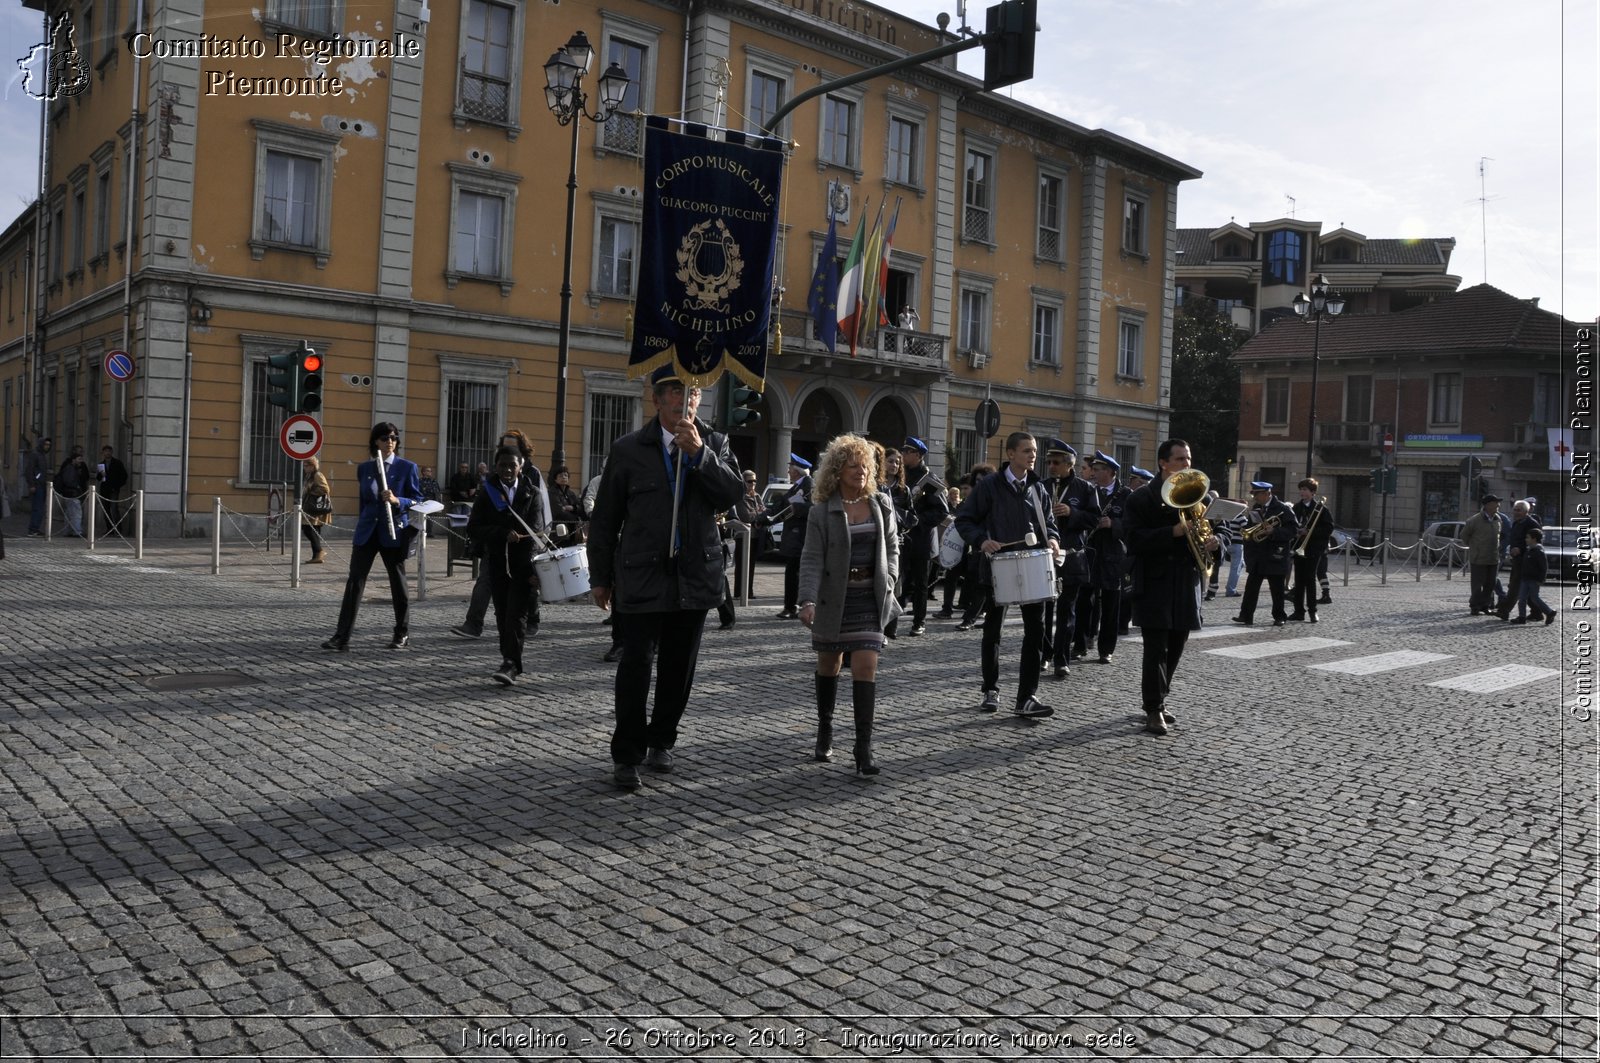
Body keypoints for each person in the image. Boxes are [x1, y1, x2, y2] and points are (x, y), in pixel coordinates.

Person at [588, 366, 743, 791]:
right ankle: (627, 754)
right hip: (641, 574)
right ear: (656, 400)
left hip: (694, 576)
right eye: (674, 392)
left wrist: (700, 456)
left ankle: (662, 740)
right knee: (636, 664)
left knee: (679, 668)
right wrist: (600, 575)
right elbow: (605, 518)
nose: (683, 401)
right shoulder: (628, 450)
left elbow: (732, 496)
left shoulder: (714, 442)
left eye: (691, 393)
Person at [798, 434, 901, 776]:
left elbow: (893, 547)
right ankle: (825, 729)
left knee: (866, 665)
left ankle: (863, 748)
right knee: (829, 665)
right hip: (833, 600)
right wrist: (807, 599)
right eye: (853, 465)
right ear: (837, 470)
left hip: (869, 600)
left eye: (866, 465)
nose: (861, 471)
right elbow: (811, 558)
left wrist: (889, 581)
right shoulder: (822, 511)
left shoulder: (881, 504)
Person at [954, 431, 1060, 718]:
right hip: (997, 566)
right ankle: (991, 689)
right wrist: (981, 540)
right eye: (1027, 450)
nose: (1033, 455)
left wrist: (1051, 538)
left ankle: (1027, 697)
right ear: (1011, 454)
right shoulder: (989, 486)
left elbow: (1049, 522)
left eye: (1035, 451)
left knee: (1036, 632)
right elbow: (964, 520)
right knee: (993, 630)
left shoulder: (1038, 488)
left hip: (1033, 566)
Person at [1124, 438, 1218, 736]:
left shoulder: (1195, 499)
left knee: (1176, 646)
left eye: (1188, 459)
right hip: (1155, 580)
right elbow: (1134, 540)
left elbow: (1208, 537)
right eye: (1180, 459)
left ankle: (1160, 700)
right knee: (1156, 649)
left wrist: (1214, 544)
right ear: (1164, 463)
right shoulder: (1141, 498)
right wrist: (1173, 531)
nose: (1186, 464)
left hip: (1185, 582)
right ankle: (1152, 708)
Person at [322, 421, 423, 651]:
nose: (390, 442)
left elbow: (418, 500)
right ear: (375, 441)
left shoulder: (407, 468)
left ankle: (401, 633)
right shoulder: (364, 469)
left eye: (394, 438)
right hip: (367, 532)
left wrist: (398, 500)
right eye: (385, 438)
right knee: (354, 583)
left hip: (393, 531)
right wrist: (361, 526)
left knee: (397, 583)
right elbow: (364, 503)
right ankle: (342, 636)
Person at [453, 430, 550, 640]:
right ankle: (473, 623)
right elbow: (477, 522)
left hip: (523, 543)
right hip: (497, 544)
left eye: (512, 447)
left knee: (526, 583)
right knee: (486, 581)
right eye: (503, 447)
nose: (507, 467)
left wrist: (532, 538)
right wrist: (499, 533)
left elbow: (538, 513)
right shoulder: (492, 481)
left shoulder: (532, 475)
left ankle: (531, 620)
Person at [467, 446, 545, 685]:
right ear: (496, 467)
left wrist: (534, 571)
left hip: (523, 565)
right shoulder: (486, 493)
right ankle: (508, 658)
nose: (508, 470)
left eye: (512, 465)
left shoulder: (533, 493)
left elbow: (537, 532)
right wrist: (501, 533)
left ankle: (511, 664)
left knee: (515, 615)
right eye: (503, 465)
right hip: (497, 562)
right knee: (502, 614)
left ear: (521, 466)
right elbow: (473, 528)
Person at [1038, 440, 1099, 679]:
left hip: (1071, 558)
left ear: (1069, 464)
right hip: (1045, 557)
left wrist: (1073, 513)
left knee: (1067, 613)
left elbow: (1093, 520)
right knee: (1043, 611)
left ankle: (1061, 659)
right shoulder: (1041, 486)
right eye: (1049, 462)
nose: (1051, 466)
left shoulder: (1085, 489)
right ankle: (1044, 654)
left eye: (1056, 462)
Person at [1075, 451, 1130, 663]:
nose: (1094, 474)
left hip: (1112, 556)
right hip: (1089, 553)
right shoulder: (1089, 491)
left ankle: (1106, 649)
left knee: (1110, 605)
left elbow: (1132, 525)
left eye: (1098, 470)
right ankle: (1080, 644)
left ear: (1110, 472)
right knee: (1083, 603)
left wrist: (1113, 524)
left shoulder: (1125, 495)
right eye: (1094, 470)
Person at [899, 437, 950, 637]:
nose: (903, 454)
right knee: (899, 579)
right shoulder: (901, 476)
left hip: (921, 539)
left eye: (907, 451)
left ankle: (919, 621)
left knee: (920, 584)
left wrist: (916, 520)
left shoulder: (929, 480)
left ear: (918, 455)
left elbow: (942, 511)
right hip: (902, 537)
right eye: (903, 450)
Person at [1232, 481, 1297, 627]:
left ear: (1267, 493)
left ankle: (1279, 616)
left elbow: (1293, 530)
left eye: (1257, 494)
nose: (1254, 497)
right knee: (1251, 588)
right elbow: (1250, 529)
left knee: (1277, 589)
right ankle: (1246, 615)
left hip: (1275, 555)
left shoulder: (1282, 509)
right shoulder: (1256, 509)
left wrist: (1274, 531)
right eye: (1253, 494)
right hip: (1258, 555)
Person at [769, 455, 813, 619]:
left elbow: (815, 507)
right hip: (794, 536)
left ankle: (792, 607)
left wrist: (798, 507)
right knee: (791, 572)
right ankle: (791, 606)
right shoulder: (796, 486)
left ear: (797, 471)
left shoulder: (809, 484)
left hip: (801, 537)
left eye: (790, 468)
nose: (788, 471)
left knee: (794, 573)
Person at [877, 444, 914, 638]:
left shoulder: (903, 490)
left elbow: (912, 516)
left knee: (896, 583)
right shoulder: (876, 486)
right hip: (879, 540)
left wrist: (900, 517)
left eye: (898, 462)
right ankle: (879, 628)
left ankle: (891, 628)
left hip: (898, 541)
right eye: (890, 461)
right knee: (881, 583)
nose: (895, 465)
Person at [1288, 478, 1333, 623]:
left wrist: (1310, 533)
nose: (1302, 492)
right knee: (1298, 581)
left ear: (1313, 492)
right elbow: (1291, 525)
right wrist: (1297, 532)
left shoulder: (1321, 509)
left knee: (1310, 579)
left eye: (1305, 490)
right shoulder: (1296, 508)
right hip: (1298, 548)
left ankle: (1313, 611)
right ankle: (1298, 611)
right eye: (1301, 489)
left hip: (1313, 549)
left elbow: (1328, 529)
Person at [1496, 499, 1541, 621]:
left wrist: (1520, 549)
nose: (1516, 512)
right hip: (1517, 560)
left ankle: (1504, 611)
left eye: (1519, 510)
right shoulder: (1516, 523)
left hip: (1527, 561)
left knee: (1515, 586)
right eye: (1515, 510)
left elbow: (1536, 542)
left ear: (1526, 511)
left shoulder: (1532, 524)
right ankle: (1538, 612)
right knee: (1525, 589)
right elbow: (1513, 538)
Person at [1463, 494, 1503, 616]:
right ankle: (1475, 606)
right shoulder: (1474, 520)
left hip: (1493, 558)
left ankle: (1485, 606)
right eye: (1496, 503)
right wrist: (1475, 548)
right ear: (1487, 505)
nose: (1498, 505)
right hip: (1478, 558)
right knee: (1477, 584)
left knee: (1490, 583)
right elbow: (1464, 536)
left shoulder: (1498, 519)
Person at [1509, 527, 1556, 625]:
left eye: (1528, 538)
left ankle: (1549, 612)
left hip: (1534, 579)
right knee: (1522, 599)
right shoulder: (1528, 550)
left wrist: (1542, 579)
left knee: (1535, 598)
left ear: (1534, 539)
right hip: (1525, 578)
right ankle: (1522, 617)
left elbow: (1543, 567)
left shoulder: (1538, 551)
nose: (1526, 539)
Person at [730, 471, 764, 599]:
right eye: (750, 481)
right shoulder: (740, 496)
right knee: (741, 565)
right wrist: (758, 513)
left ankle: (749, 591)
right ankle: (739, 592)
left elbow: (764, 511)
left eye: (755, 481)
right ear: (743, 482)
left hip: (755, 536)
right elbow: (745, 516)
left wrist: (758, 514)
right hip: (742, 535)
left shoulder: (757, 496)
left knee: (751, 565)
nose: (753, 484)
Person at [300, 456, 333, 563]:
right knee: (311, 530)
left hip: (315, 508)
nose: (304, 468)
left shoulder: (317, 475)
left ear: (312, 466)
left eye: (306, 466)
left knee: (308, 529)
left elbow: (325, 488)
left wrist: (311, 492)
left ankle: (319, 551)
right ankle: (317, 555)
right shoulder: (309, 476)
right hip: (309, 508)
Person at [55, 445, 90, 537]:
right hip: (72, 493)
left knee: (69, 513)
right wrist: (77, 486)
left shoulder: (78, 467)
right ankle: (77, 531)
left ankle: (68, 531)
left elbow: (86, 476)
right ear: (74, 459)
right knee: (76, 513)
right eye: (79, 458)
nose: (81, 461)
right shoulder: (69, 467)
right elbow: (68, 481)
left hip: (72, 493)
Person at [23, 436, 53, 536]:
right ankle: (32, 529)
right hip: (37, 485)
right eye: (45, 444)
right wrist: (32, 484)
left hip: (42, 484)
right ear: (41, 444)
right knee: (37, 508)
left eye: (49, 445)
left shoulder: (42, 455)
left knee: (40, 508)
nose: (47, 446)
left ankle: (35, 528)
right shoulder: (35, 455)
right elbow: (29, 470)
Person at [96, 444, 129, 535]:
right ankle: (109, 529)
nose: (107, 453)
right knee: (106, 510)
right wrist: (100, 475)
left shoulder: (117, 463)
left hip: (114, 489)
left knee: (114, 509)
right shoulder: (101, 464)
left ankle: (118, 529)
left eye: (109, 451)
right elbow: (99, 478)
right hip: (104, 489)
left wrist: (117, 486)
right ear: (103, 453)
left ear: (111, 452)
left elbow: (124, 476)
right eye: (105, 451)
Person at [548, 465, 585, 546]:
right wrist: (576, 518)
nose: (564, 477)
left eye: (566, 475)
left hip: (572, 532)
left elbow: (581, 509)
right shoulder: (552, 492)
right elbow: (559, 511)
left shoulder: (571, 493)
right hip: (558, 532)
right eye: (560, 476)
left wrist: (573, 508)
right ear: (555, 479)